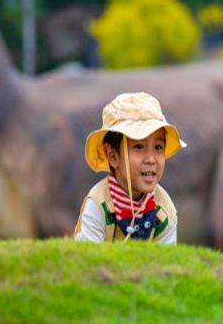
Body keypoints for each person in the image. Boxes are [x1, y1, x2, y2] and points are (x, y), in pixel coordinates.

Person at [75, 92, 185, 243]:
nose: (151, 159)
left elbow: (165, 258)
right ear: (113, 156)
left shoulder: (164, 210)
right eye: (139, 146)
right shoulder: (98, 204)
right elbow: (86, 256)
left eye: (158, 147)